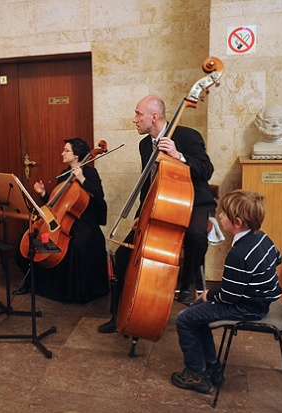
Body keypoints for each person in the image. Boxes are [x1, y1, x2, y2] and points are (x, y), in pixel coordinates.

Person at [98, 95, 216, 333]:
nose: (134, 120)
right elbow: (149, 184)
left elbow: (207, 170)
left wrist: (178, 155)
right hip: (161, 205)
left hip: (193, 202)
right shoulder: (145, 145)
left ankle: (188, 282)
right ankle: (117, 316)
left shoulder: (186, 136)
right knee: (122, 255)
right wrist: (141, 214)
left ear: (154, 116)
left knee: (195, 234)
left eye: (138, 114)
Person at [171, 189, 282, 394]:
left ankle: (197, 374)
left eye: (222, 214)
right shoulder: (262, 237)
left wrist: (209, 295)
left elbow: (229, 297)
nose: (219, 216)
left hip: (247, 307)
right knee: (197, 313)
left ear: (237, 222)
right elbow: (277, 258)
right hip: (259, 300)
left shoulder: (239, 254)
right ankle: (211, 366)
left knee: (184, 318)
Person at [26, 138, 109, 303]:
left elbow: (99, 196)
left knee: (77, 244)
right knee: (38, 240)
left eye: (66, 150)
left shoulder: (90, 173)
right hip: (63, 220)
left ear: (77, 155)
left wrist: (82, 179)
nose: (62, 153)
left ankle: (75, 292)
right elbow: (56, 205)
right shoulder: (63, 175)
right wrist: (43, 194)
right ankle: (42, 285)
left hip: (84, 221)